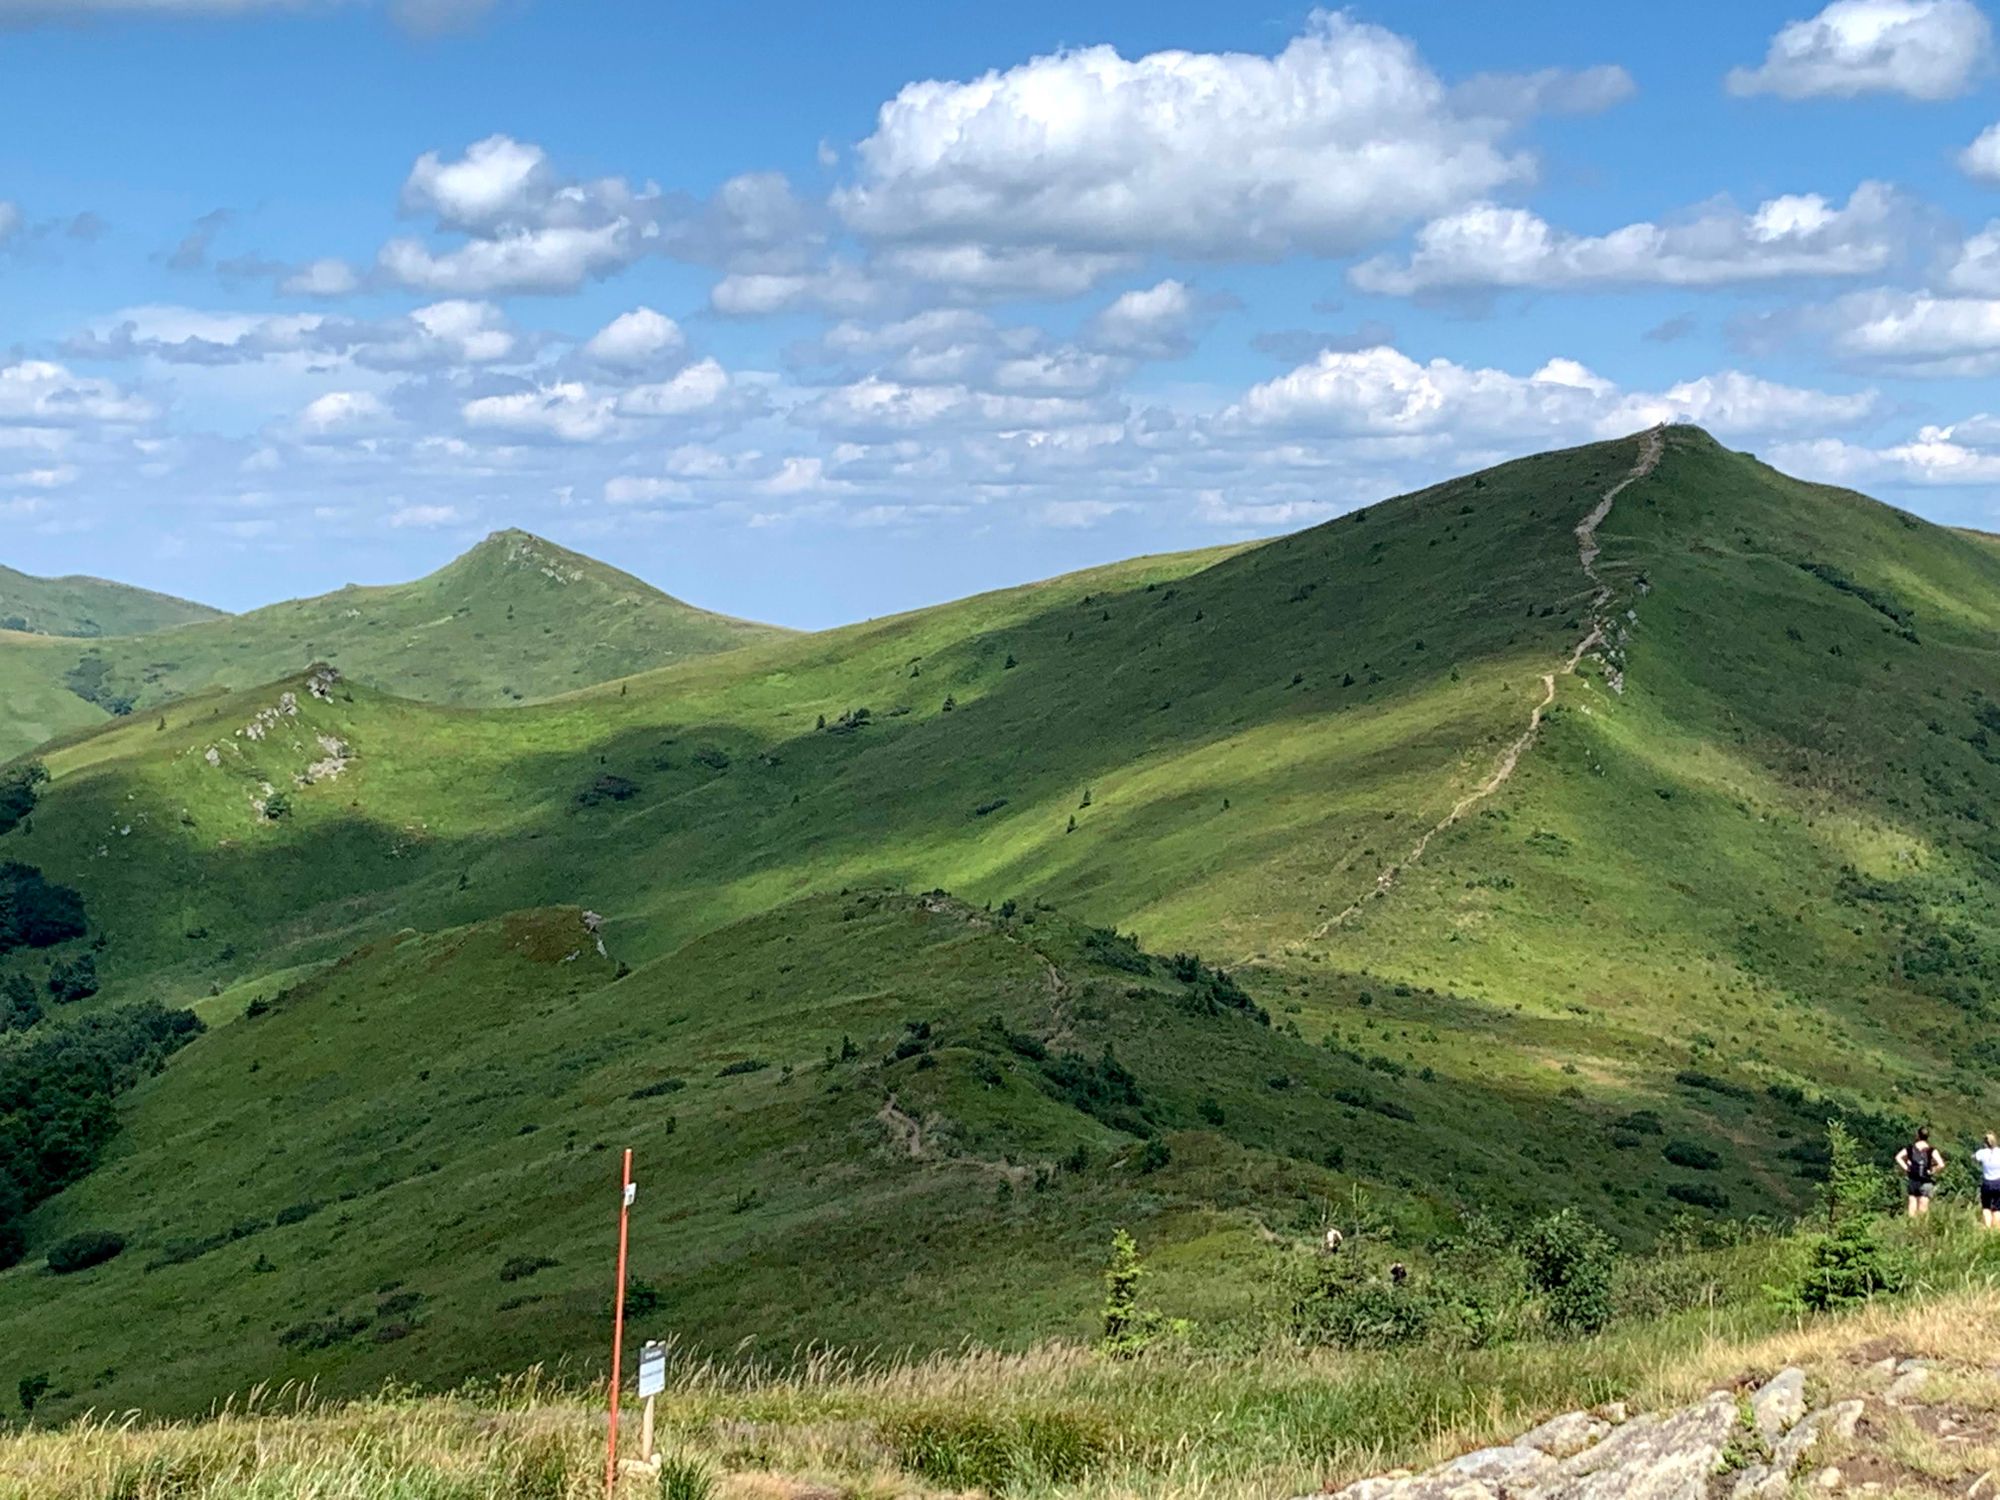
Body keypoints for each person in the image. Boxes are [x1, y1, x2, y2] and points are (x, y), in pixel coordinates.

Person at [1896, 1127, 1945, 1217]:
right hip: (1926, 1181)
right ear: (1928, 1137)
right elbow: (1941, 1164)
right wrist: (1933, 1170)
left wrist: (1907, 1168)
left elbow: (1898, 1157)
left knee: (1912, 1203)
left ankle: (1911, 1226)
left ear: (1917, 1135)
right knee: (1923, 1209)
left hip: (1913, 1179)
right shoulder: (1931, 1150)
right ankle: (1920, 1228)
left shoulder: (1910, 1148)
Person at [1976, 1133, 2000, 1229]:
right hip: (1998, 1183)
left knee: (1986, 1207)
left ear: (1985, 1143)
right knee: (1997, 1208)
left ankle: (1987, 1227)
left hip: (1986, 1183)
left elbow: (1973, 1157)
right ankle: (1997, 1229)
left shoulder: (1982, 1153)